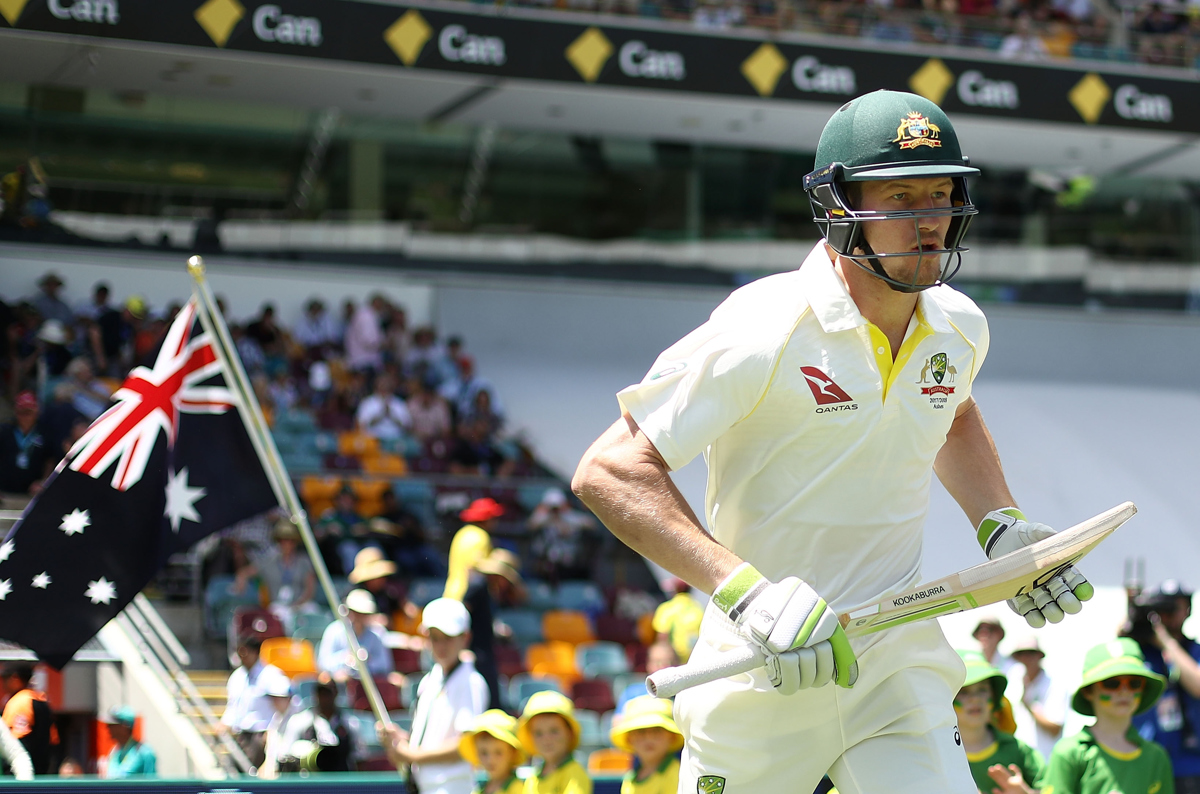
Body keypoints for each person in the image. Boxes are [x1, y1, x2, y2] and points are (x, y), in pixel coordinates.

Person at [571, 89, 1094, 793]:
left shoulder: (960, 325)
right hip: (764, 669)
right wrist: (748, 597)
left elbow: (952, 411)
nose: (931, 221)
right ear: (840, 207)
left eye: (941, 195)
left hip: (897, 665)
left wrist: (1003, 529)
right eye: (902, 199)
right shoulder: (764, 325)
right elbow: (610, 470)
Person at [379, 597, 489, 794]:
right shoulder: (429, 680)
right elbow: (432, 740)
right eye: (434, 638)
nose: (441, 646)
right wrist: (401, 740)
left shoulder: (471, 682)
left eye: (448, 638)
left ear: (465, 638)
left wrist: (411, 754)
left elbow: (465, 745)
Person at [1042, 638, 1173, 794]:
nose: (1124, 691)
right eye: (1112, 683)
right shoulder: (1069, 753)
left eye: (1134, 683)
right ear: (1088, 691)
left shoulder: (1156, 757)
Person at [1131, 579, 1200, 792]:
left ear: (1187, 609)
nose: (1166, 615)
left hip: (1188, 766)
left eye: (1173, 608)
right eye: (1161, 608)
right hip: (1144, 762)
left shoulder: (1193, 651)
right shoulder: (1139, 652)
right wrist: (1132, 618)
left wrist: (1165, 641)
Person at [954, 650, 1043, 794]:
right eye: (963, 692)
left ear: (994, 696)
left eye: (982, 690)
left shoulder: (1018, 750)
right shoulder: (937, 753)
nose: (975, 699)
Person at [464, 548, 527, 710]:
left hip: (484, 651)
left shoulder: (488, 589)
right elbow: (464, 613)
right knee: (488, 700)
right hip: (476, 653)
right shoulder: (478, 586)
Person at [219, 634, 291, 770]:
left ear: (255, 652)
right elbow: (233, 706)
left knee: (251, 773)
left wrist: (273, 732)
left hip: (261, 735)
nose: (241, 656)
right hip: (240, 734)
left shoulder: (271, 675)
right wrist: (225, 723)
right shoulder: (236, 677)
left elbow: (284, 707)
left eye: (245, 651)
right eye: (239, 651)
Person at [1009, 633, 1068, 766]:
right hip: (1020, 761)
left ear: (1039, 656)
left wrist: (1029, 706)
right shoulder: (1013, 681)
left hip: (1046, 762)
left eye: (1030, 653)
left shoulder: (1055, 685)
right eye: (1021, 654)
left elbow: (1055, 728)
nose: (1026, 658)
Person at [317, 589, 399, 683]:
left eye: (364, 614)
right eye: (356, 612)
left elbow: (384, 664)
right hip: (341, 688)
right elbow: (323, 663)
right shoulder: (334, 631)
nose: (360, 617)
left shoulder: (377, 634)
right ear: (348, 611)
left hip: (370, 685)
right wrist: (345, 659)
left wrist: (367, 661)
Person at [518, 690, 591, 794]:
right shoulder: (532, 779)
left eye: (554, 731)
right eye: (539, 733)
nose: (546, 739)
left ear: (570, 733)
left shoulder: (575, 774)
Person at [610, 696, 684, 794]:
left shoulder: (678, 775)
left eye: (657, 730)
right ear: (629, 739)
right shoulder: (629, 779)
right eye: (640, 731)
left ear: (672, 736)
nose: (648, 738)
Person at [279, 679, 356, 772]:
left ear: (336, 693)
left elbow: (359, 758)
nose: (324, 697)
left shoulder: (349, 723)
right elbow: (285, 755)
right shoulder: (299, 721)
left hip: (340, 779)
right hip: (308, 780)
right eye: (321, 693)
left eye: (328, 693)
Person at [527, 488, 599, 585]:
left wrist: (566, 520)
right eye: (552, 507)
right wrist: (547, 515)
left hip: (568, 563)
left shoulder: (570, 516)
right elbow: (530, 525)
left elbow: (591, 524)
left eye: (557, 507)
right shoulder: (543, 518)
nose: (555, 511)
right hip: (546, 563)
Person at [0, 663, 55, 775]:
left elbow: (18, 744)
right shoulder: (39, 699)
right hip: (41, 770)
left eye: (5, 678)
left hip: (22, 775)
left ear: (15, 678)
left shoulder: (20, 702)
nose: (3, 683)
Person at [444, 498, 503, 601]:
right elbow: (475, 572)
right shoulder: (481, 537)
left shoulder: (462, 533)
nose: (496, 522)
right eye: (493, 518)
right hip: (468, 598)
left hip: (451, 593)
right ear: (486, 519)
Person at [459, 709, 526, 794]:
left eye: (498, 752)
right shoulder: (479, 789)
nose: (490, 760)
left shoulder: (518, 788)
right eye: (484, 753)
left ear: (512, 753)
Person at [0, 391, 51, 495]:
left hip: (33, 491)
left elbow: (50, 459)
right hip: (4, 490)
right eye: (21, 412)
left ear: (36, 412)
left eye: (29, 412)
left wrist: (43, 482)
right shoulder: (5, 431)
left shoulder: (45, 432)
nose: (25, 417)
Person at [651, 578, 704, 664]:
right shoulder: (698, 608)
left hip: (672, 660)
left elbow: (662, 635)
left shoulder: (666, 608)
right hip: (693, 656)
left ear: (675, 590)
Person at [100, 706, 157, 778]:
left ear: (124, 727)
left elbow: (152, 785)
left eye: (112, 725)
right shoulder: (114, 751)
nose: (108, 728)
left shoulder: (145, 752)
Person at [356, 372, 412, 441]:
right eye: (382, 383)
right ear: (377, 385)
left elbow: (407, 426)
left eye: (387, 383)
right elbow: (362, 425)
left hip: (395, 440)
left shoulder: (399, 403)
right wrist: (381, 415)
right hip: (373, 440)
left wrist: (392, 415)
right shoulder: (367, 403)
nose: (385, 385)